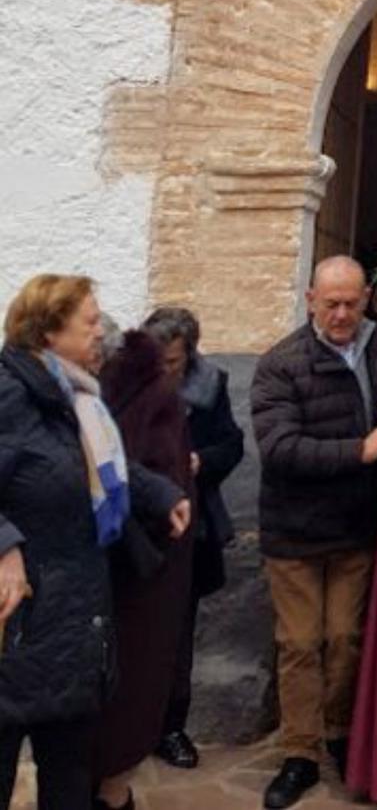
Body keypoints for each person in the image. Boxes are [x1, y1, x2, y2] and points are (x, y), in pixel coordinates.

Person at [0, 276, 188, 810]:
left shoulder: (76, 396)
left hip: (76, 617)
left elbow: (95, 468)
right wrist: (5, 547)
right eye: (88, 321)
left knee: (69, 778)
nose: (99, 331)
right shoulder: (9, 392)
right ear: (48, 330)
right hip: (17, 622)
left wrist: (158, 494)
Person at [251, 257, 377, 810]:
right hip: (296, 531)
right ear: (311, 297)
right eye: (331, 303)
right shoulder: (280, 364)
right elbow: (280, 449)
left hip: (356, 525)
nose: (341, 314)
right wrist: (360, 449)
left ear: (366, 299)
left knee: (345, 639)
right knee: (299, 645)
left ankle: (337, 733)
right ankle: (300, 753)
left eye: (352, 303)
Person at [93, 328, 197, 810]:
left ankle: (113, 795)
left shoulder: (151, 399)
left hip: (138, 576)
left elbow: (142, 474)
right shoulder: (82, 398)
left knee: (127, 699)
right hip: (96, 578)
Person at [142, 305, 245, 771]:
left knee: (178, 637)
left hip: (190, 531)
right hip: (134, 530)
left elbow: (232, 443)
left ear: (190, 355)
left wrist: (203, 460)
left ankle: (170, 728)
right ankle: (128, 728)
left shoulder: (211, 385)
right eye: (158, 360)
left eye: (174, 362)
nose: (164, 370)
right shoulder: (124, 382)